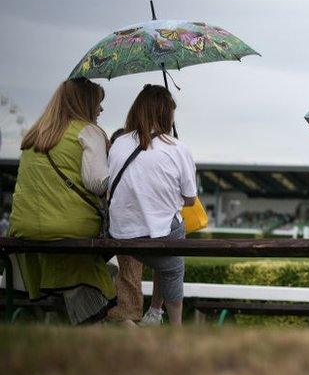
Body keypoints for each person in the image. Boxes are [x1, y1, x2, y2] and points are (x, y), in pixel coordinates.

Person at [8, 78, 116, 324]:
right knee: (111, 257)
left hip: (24, 229)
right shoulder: (88, 131)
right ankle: (98, 319)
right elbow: (97, 183)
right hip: (69, 228)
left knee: (72, 266)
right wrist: (111, 160)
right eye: (98, 103)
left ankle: (69, 318)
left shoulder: (34, 135)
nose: (101, 110)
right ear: (85, 103)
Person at [108, 85, 198, 326]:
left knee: (165, 232)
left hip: (121, 235)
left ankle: (155, 313)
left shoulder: (118, 144)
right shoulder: (177, 148)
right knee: (173, 259)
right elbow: (190, 199)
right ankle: (175, 325)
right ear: (167, 114)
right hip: (156, 237)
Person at [104, 128, 145, 325]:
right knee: (130, 270)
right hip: (129, 226)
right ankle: (129, 314)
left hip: (119, 225)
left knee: (129, 268)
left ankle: (127, 313)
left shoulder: (110, 163)